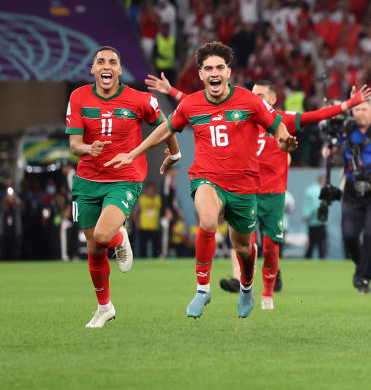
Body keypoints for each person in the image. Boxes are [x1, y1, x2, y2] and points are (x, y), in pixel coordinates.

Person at [106, 41, 297, 319]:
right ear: (201, 75)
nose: (214, 72)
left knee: (244, 247)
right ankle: (202, 288)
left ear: (229, 72)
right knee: (207, 221)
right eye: (208, 68)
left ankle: (246, 286)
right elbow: (165, 129)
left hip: (244, 185)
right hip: (207, 176)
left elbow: (277, 125)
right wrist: (133, 153)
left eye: (219, 67)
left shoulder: (249, 101)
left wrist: (284, 141)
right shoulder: (191, 104)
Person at [146, 72, 370, 309]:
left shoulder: (282, 119)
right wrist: (171, 91)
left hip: (273, 194)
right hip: (246, 190)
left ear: (272, 101)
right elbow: (200, 105)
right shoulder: (242, 115)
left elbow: (316, 115)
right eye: (253, 95)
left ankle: (268, 296)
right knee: (244, 243)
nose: (254, 99)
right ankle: (242, 283)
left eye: (260, 96)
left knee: (272, 248)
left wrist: (349, 104)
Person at [66, 46, 180, 328]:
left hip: (124, 178)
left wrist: (174, 154)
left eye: (113, 62)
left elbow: (166, 125)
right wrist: (87, 148)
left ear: (119, 70)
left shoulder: (140, 99)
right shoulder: (78, 97)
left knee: (104, 235)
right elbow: (74, 144)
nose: (107, 66)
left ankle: (119, 238)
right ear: (93, 69)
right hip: (87, 181)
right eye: (101, 62)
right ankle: (104, 307)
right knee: (93, 248)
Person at [335, 98, 371, 293]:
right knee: (348, 236)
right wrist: (329, 148)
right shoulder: (347, 129)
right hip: (352, 189)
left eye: (364, 109)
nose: (360, 113)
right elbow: (334, 142)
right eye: (356, 109)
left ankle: (365, 279)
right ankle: (362, 268)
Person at [132, 181, 163, 258]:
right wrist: (137, 224)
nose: (151, 192)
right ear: (146, 190)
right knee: (143, 248)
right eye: (149, 190)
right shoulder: (141, 199)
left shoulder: (158, 199)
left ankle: (156, 263)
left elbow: (162, 212)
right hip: (144, 227)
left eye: (152, 190)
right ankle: (143, 262)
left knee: (156, 249)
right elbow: (134, 212)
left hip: (155, 227)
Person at [302, 175, 328, 259]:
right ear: (321, 180)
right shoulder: (320, 191)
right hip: (319, 221)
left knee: (311, 243)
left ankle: (308, 258)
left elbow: (307, 205)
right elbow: (316, 205)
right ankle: (321, 260)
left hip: (311, 222)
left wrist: (306, 215)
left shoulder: (309, 190)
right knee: (321, 245)